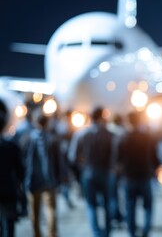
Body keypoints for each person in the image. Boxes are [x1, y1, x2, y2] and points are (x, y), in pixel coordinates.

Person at [68, 107, 114, 237]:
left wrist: (81, 165)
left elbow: (72, 156)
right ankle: (107, 232)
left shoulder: (81, 134)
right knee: (107, 203)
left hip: (88, 173)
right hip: (105, 173)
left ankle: (96, 233)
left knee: (91, 204)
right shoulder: (110, 134)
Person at [115, 111, 160, 237]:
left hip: (128, 177)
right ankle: (146, 230)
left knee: (130, 206)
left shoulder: (123, 138)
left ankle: (132, 232)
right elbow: (155, 157)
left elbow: (117, 159)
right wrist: (155, 169)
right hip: (145, 175)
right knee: (148, 206)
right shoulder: (147, 137)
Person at [25, 108, 60, 237]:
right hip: (50, 181)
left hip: (33, 181)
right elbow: (58, 162)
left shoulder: (29, 139)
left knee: (35, 213)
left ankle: (37, 234)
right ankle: (52, 234)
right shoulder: (53, 139)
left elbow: (25, 162)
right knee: (50, 210)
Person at [0, 99, 24, 237]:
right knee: (9, 226)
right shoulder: (11, 147)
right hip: (8, 191)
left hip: (8, 192)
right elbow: (20, 172)